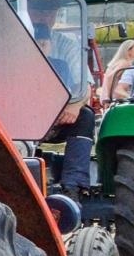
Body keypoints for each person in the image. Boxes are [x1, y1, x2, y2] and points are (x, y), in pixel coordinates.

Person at [35, 23, 95, 194]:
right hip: (24, 120)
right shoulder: (17, 67)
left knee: (85, 115)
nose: (40, 48)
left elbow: (82, 88)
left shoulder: (61, 66)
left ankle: (73, 184)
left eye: (44, 44)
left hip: (57, 118)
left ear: (50, 46)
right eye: (36, 44)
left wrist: (74, 106)